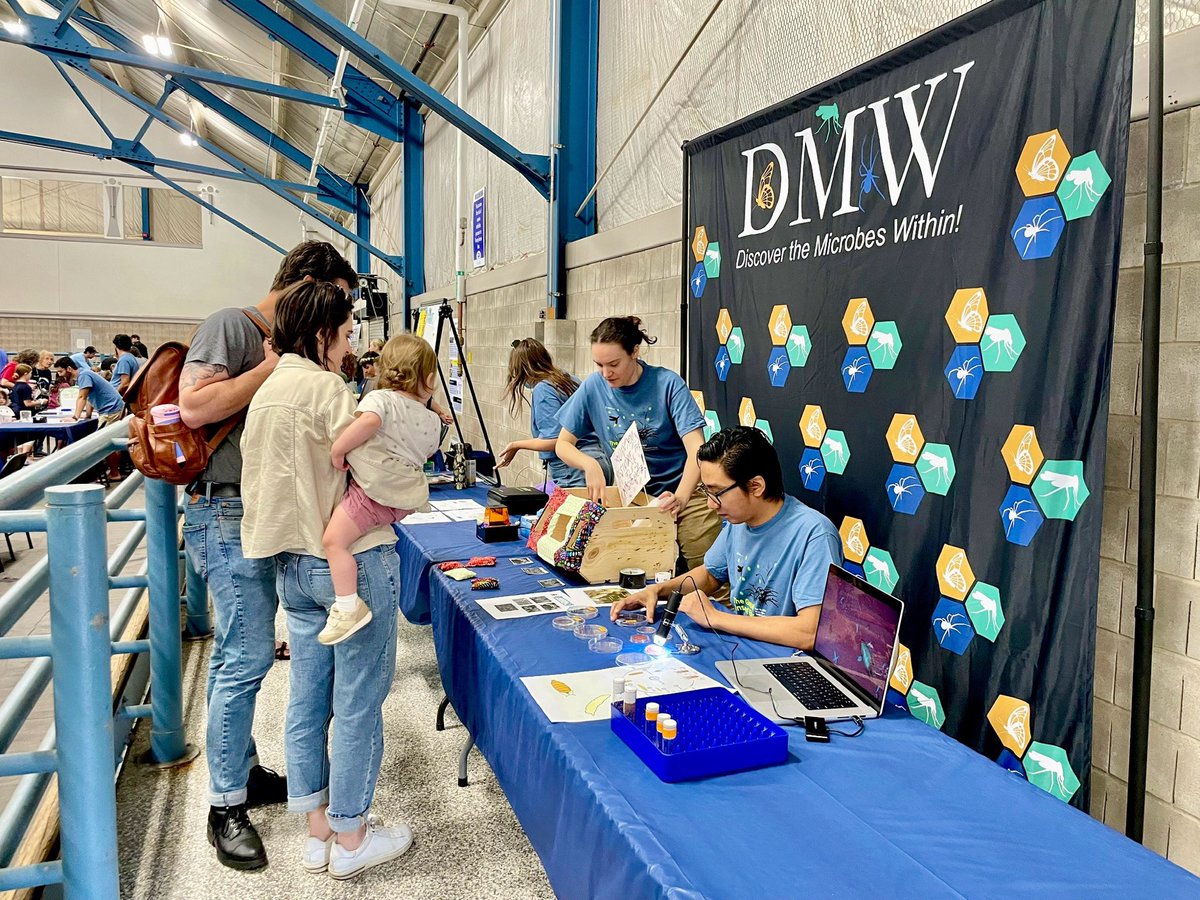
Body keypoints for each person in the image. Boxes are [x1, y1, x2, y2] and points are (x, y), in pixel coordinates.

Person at [177, 240, 358, 871]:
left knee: (245, 650)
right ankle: (224, 805)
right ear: (308, 281)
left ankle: (243, 771)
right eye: (334, 298)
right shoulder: (233, 326)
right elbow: (194, 405)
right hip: (224, 514)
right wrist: (274, 367)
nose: (333, 313)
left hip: (262, 517)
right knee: (245, 655)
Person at [241, 282, 414, 880]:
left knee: (307, 697)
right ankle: (353, 834)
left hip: (292, 564)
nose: (347, 350)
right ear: (322, 335)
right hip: (353, 563)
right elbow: (377, 469)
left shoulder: (264, 394)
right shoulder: (327, 389)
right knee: (359, 701)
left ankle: (316, 830)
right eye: (343, 337)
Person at [611, 426, 842, 650]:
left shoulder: (814, 534)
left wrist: (715, 617)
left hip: (786, 660)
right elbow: (711, 574)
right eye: (706, 491)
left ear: (756, 486)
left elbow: (809, 631)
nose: (711, 504)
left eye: (717, 492)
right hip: (742, 647)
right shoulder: (739, 520)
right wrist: (658, 591)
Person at [555, 316, 722, 570]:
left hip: (684, 493)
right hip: (634, 496)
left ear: (634, 351)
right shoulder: (593, 386)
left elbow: (697, 451)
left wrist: (681, 498)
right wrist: (590, 465)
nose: (606, 373)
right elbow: (563, 444)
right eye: (599, 365)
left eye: (613, 364)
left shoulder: (668, 384)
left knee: (706, 572)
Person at [319, 333, 441, 644]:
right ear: (429, 378)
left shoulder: (379, 399)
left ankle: (347, 607)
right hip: (401, 502)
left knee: (333, 543)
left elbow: (370, 422)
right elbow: (426, 453)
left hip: (372, 495)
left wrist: (338, 450)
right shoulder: (433, 421)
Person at [498, 337, 610, 488]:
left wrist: (516, 445)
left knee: (573, 511)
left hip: (574, 468)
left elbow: (555, 440)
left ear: (522, 370)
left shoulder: (543, 389)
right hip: (600, 460)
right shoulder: (569, 379)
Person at [54, 355, 124, 425]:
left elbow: (82, 397)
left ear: (69, 369)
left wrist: (75, 417)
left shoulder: (83, 375)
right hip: (111, 409)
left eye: (61, 371)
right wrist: (88, 415)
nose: (60, 375)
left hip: (111, 411)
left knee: (102, 435)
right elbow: (88, 397)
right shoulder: (83, 373)